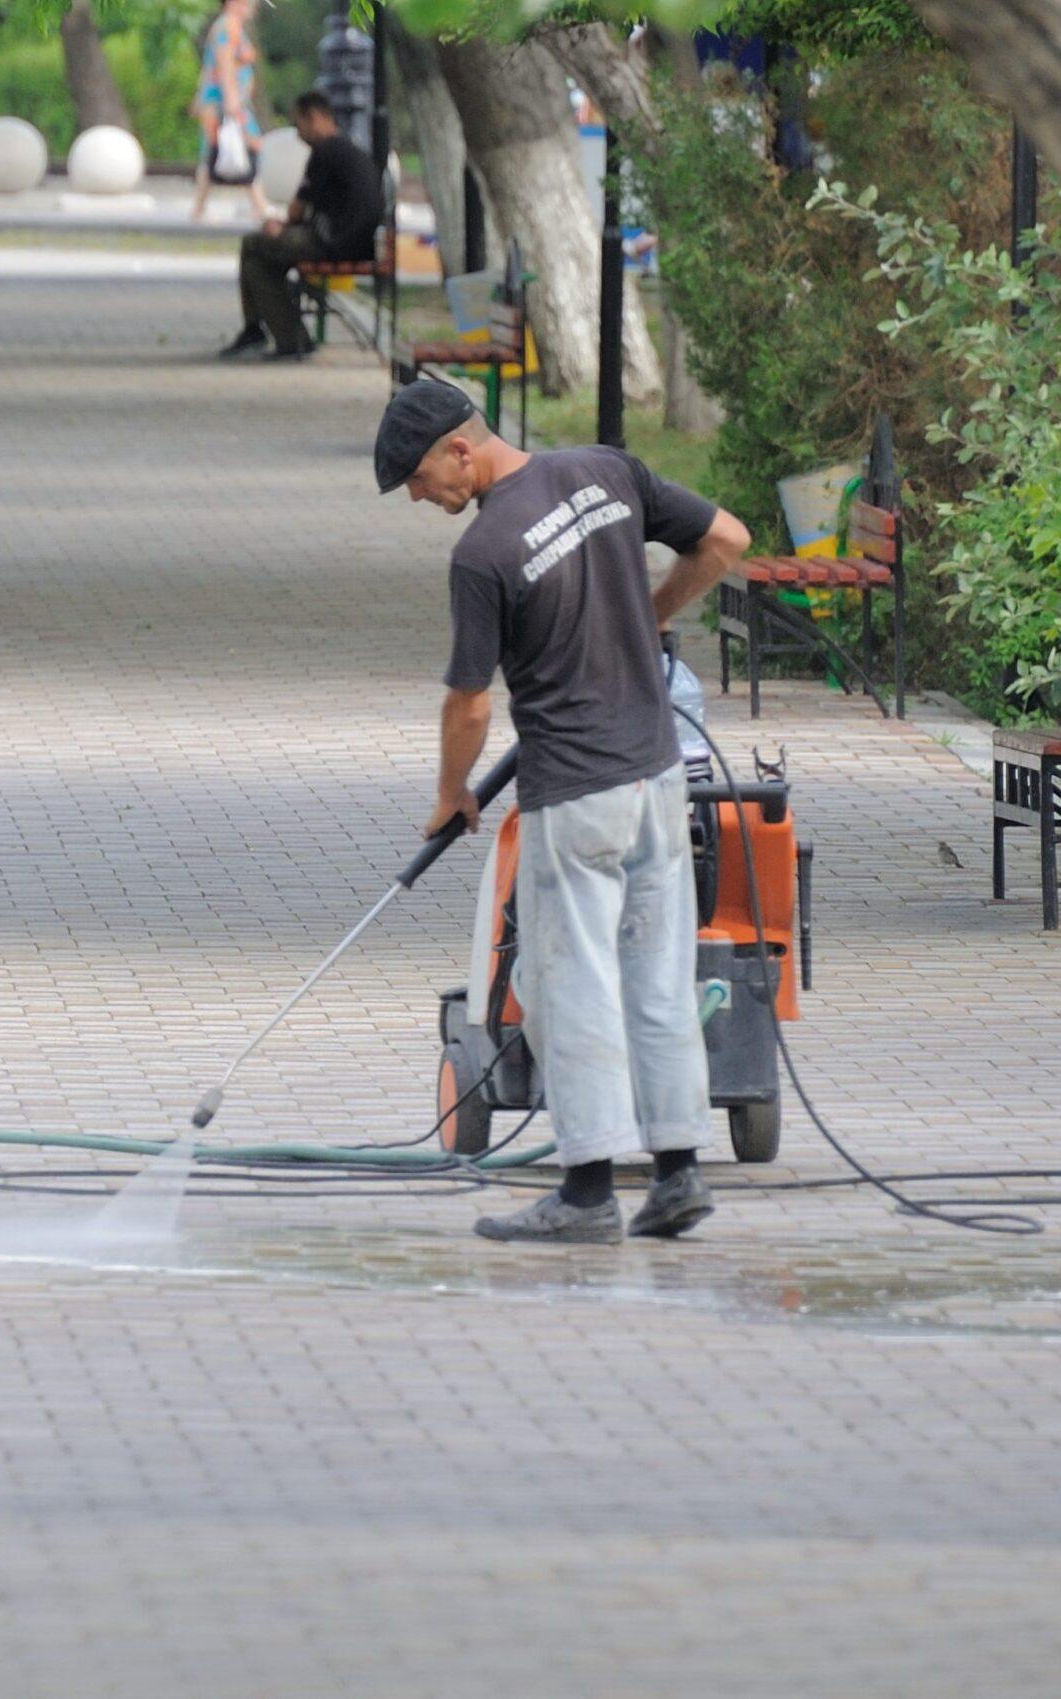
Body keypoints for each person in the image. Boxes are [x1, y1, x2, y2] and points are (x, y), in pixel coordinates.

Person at [373, 380, 753, 1244]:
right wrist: (643, 615)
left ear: (460, 451)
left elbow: (468, 704)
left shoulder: (484, 553)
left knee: (565, 987)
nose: (424, 501)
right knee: (660, 981)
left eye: (423, 481)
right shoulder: (605, 471)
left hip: (576, 794)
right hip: (658, 782)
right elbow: (727, 539)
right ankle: (677, 1174)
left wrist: (449, 796)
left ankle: (585, 1191)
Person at [219, 91, 385, 362]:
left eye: (299, 125)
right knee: (257, 265)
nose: (298, 134)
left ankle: (266, 333)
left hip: (333, 243)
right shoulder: (347, 149)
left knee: (254, 243)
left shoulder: (325, 150)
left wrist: (280, 226)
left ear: (315, 117)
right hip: (355, 240)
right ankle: (282, 337)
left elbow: (297, 208)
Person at [190, 0, 272, 224]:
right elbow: (224, 64)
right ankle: (259, 205)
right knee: (241, 146)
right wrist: (231, 100)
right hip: (224, 101)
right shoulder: (228, 25)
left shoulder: (230, 25)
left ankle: (201, 207)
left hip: (227, 100)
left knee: (223, 150)